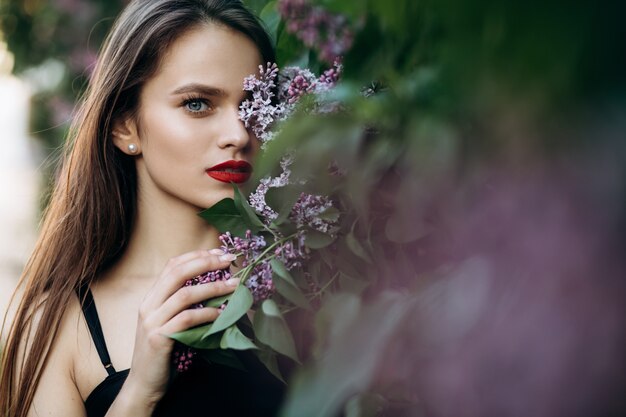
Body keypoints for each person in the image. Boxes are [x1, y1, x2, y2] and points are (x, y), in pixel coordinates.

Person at [0, 0, 285, 416]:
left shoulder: (314, 279)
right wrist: (138, 394)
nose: (238, 134)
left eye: (253, 104)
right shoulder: (58, 326)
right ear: (124, 125)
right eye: (197, 103)